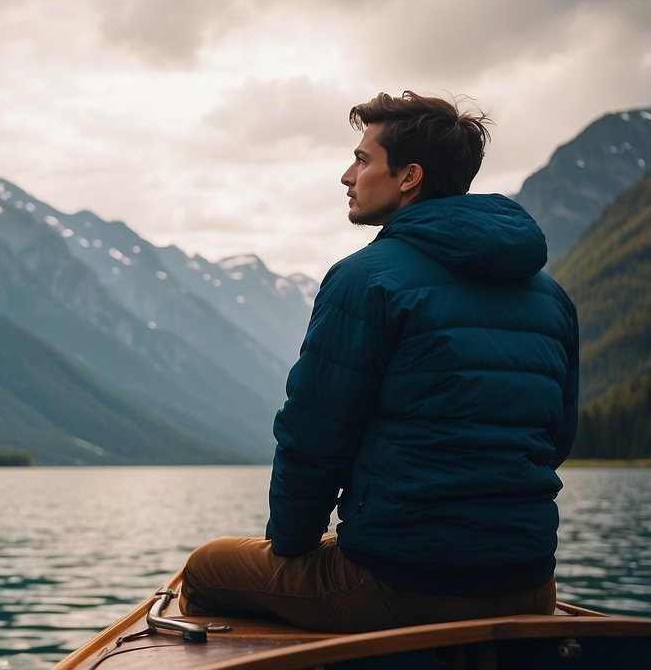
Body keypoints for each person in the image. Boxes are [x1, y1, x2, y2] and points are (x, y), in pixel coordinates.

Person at [180, 90, 579, 632]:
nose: (347, 175)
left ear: (408, 177)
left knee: (205, 570)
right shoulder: (550, 295)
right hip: (530, 584)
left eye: (363, 159)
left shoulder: (366, 278)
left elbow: (313, 436)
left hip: (405, 586)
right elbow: (555, 440)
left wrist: (292, 549)